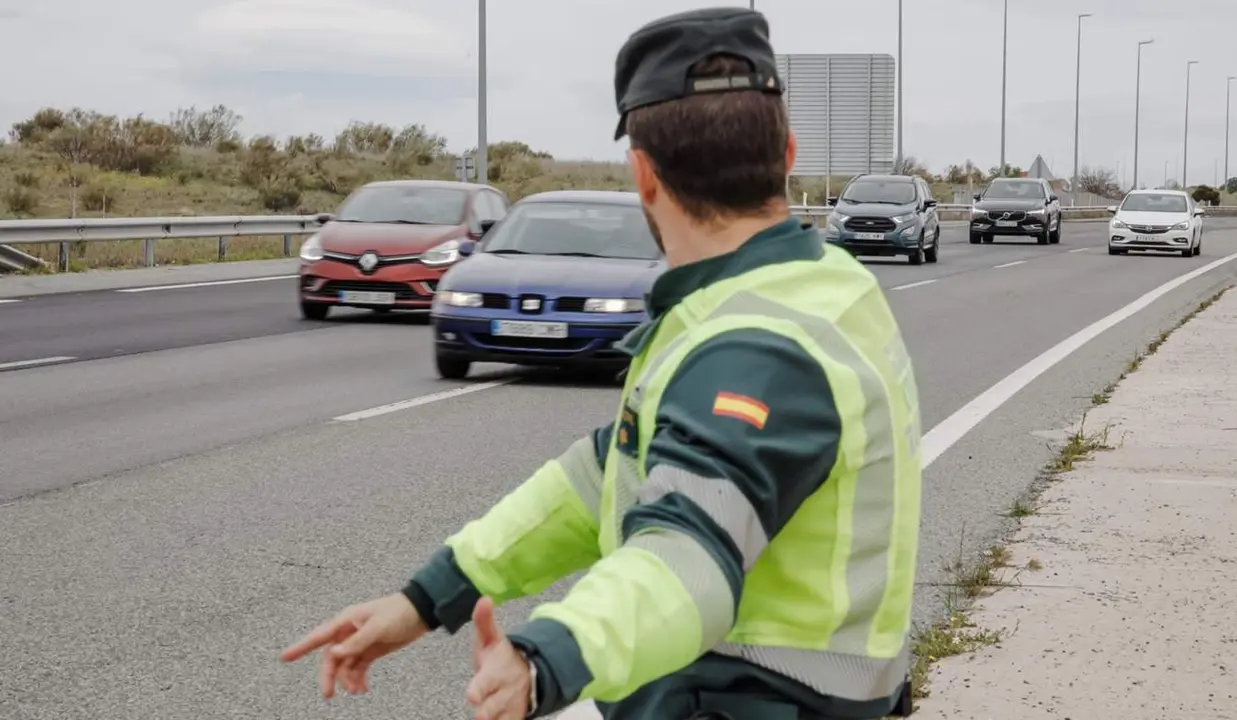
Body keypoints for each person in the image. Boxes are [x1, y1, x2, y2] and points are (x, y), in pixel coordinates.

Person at [280, 7, 923, 719]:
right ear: (788, 154)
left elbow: (688, 559)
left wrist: (547, 659)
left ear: (643, 176)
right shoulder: (824, 287)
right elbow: (609, 477)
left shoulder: (753, 344)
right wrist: (430, 596)